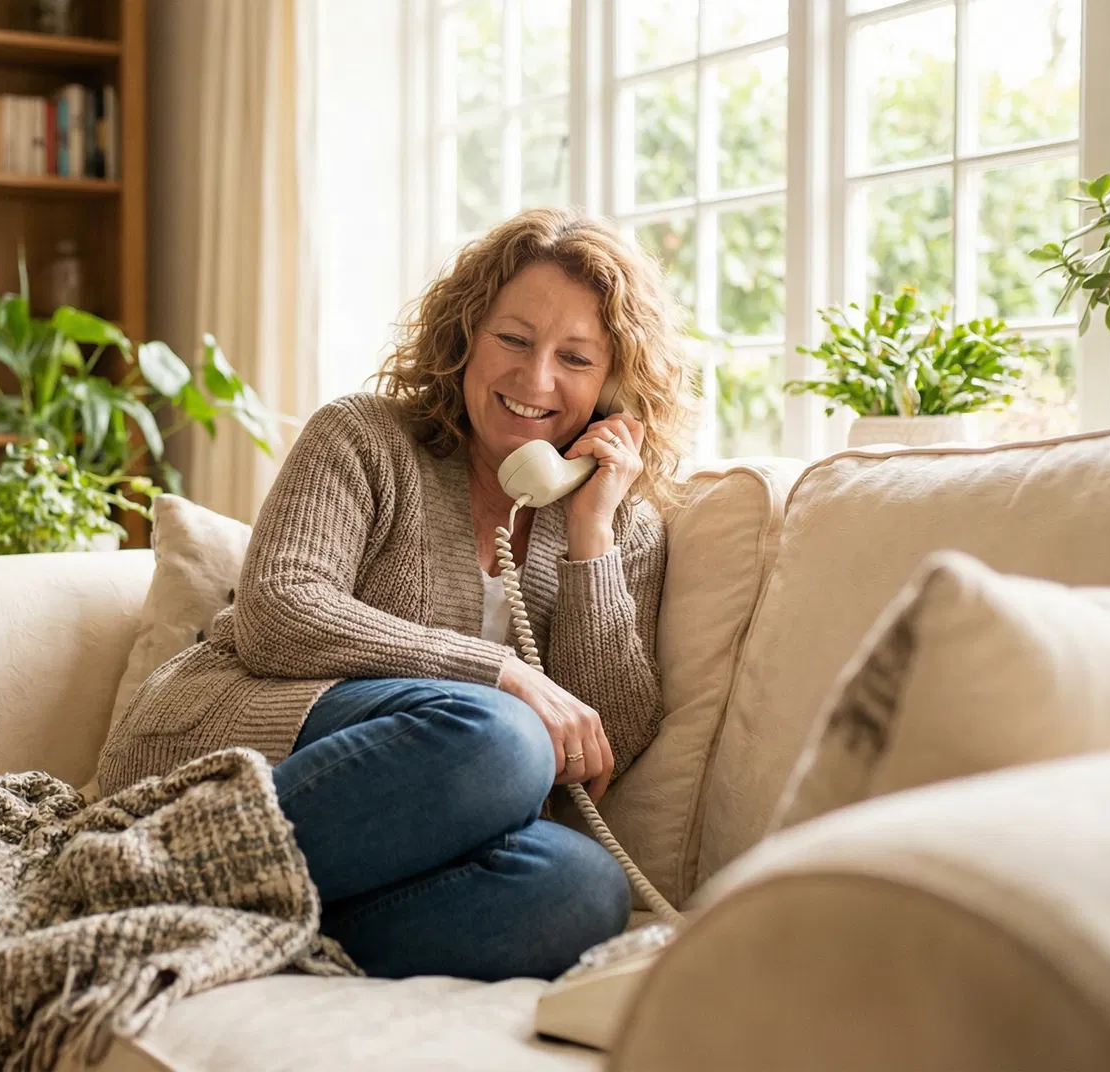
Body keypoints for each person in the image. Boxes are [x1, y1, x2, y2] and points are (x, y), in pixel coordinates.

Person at [94, 207, 692, 981]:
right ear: (466, 335)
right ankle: (128, 877)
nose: (536, 378)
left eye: (574, 358)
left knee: (582, 889)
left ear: (613, 382)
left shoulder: (617, 523)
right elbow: (278, 611)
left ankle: (242, 927)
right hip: (224, 749)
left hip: (391, 834)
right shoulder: (362, 437)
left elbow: (604, 741)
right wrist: (502, 672)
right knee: (505, 736)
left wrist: (590, 538)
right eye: (513, 339)